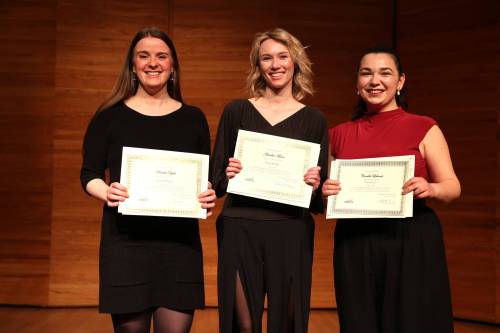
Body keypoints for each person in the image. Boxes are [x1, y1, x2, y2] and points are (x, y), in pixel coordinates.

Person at [80, 27, 216, 333]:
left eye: (161, 56)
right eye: (143, 56)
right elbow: (88, 174)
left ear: (172, 67)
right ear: (132, 65)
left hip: (179, 246)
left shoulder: (193, 118)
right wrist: (106, 191)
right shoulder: (109, 116)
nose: (152, 63)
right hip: (126, 244)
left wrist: (207, 195)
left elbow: (203, 181)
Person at [322, 46, 461, 333]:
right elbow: (324, 197)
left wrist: (430, 188)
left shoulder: (424, 127)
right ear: (357, 84)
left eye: (385, 73)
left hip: (410, 238)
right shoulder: (337, 135)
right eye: (366, 73)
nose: (375, 81)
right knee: (360, 321)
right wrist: (325, 191)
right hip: (355, 241)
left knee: (412, 321)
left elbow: (452, 187)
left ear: (400, 82)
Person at [211, 28, 329, 333]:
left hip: (292, 230)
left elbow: (320, 201)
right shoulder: (236, 111)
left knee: (287, 324)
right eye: (266, 58)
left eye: (282, 56)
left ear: (295, 62)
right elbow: (216, 180)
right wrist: (228, 172)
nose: (275, 64)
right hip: (240, 227)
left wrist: (315, 183)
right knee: (243, 326)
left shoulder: (314, 119)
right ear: (258, 65)